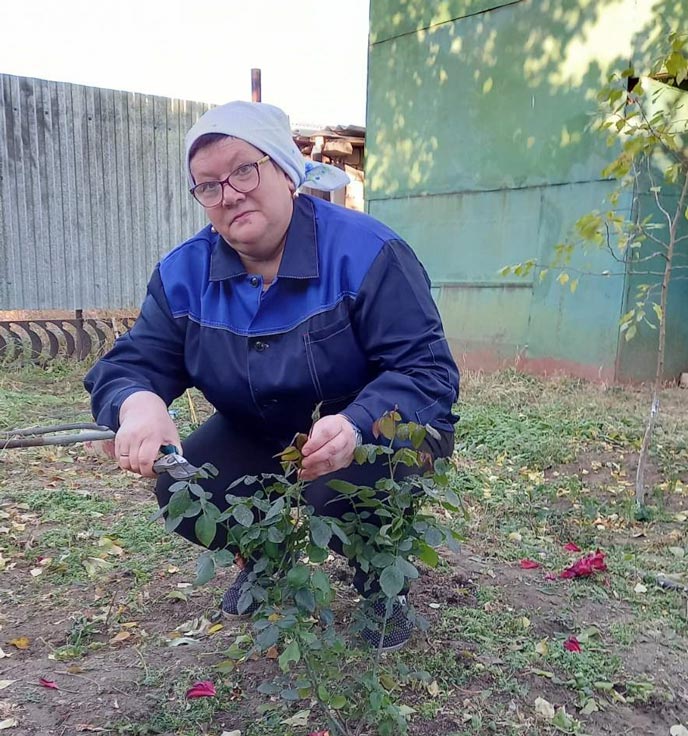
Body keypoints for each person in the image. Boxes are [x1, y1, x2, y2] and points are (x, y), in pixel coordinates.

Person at [84, 100, 460, 651]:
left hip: (378, 429)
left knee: (340, 488)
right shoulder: (184, 274)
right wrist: (136, 402)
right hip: (263, 427)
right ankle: (265, 556)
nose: (228, 193)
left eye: (243, 170)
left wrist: (355, 424)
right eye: (207, 185)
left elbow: (427, 371)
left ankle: (383, 580)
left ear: (286, 171)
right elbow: (135, 361)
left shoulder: (369, 253)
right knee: (185, 484)